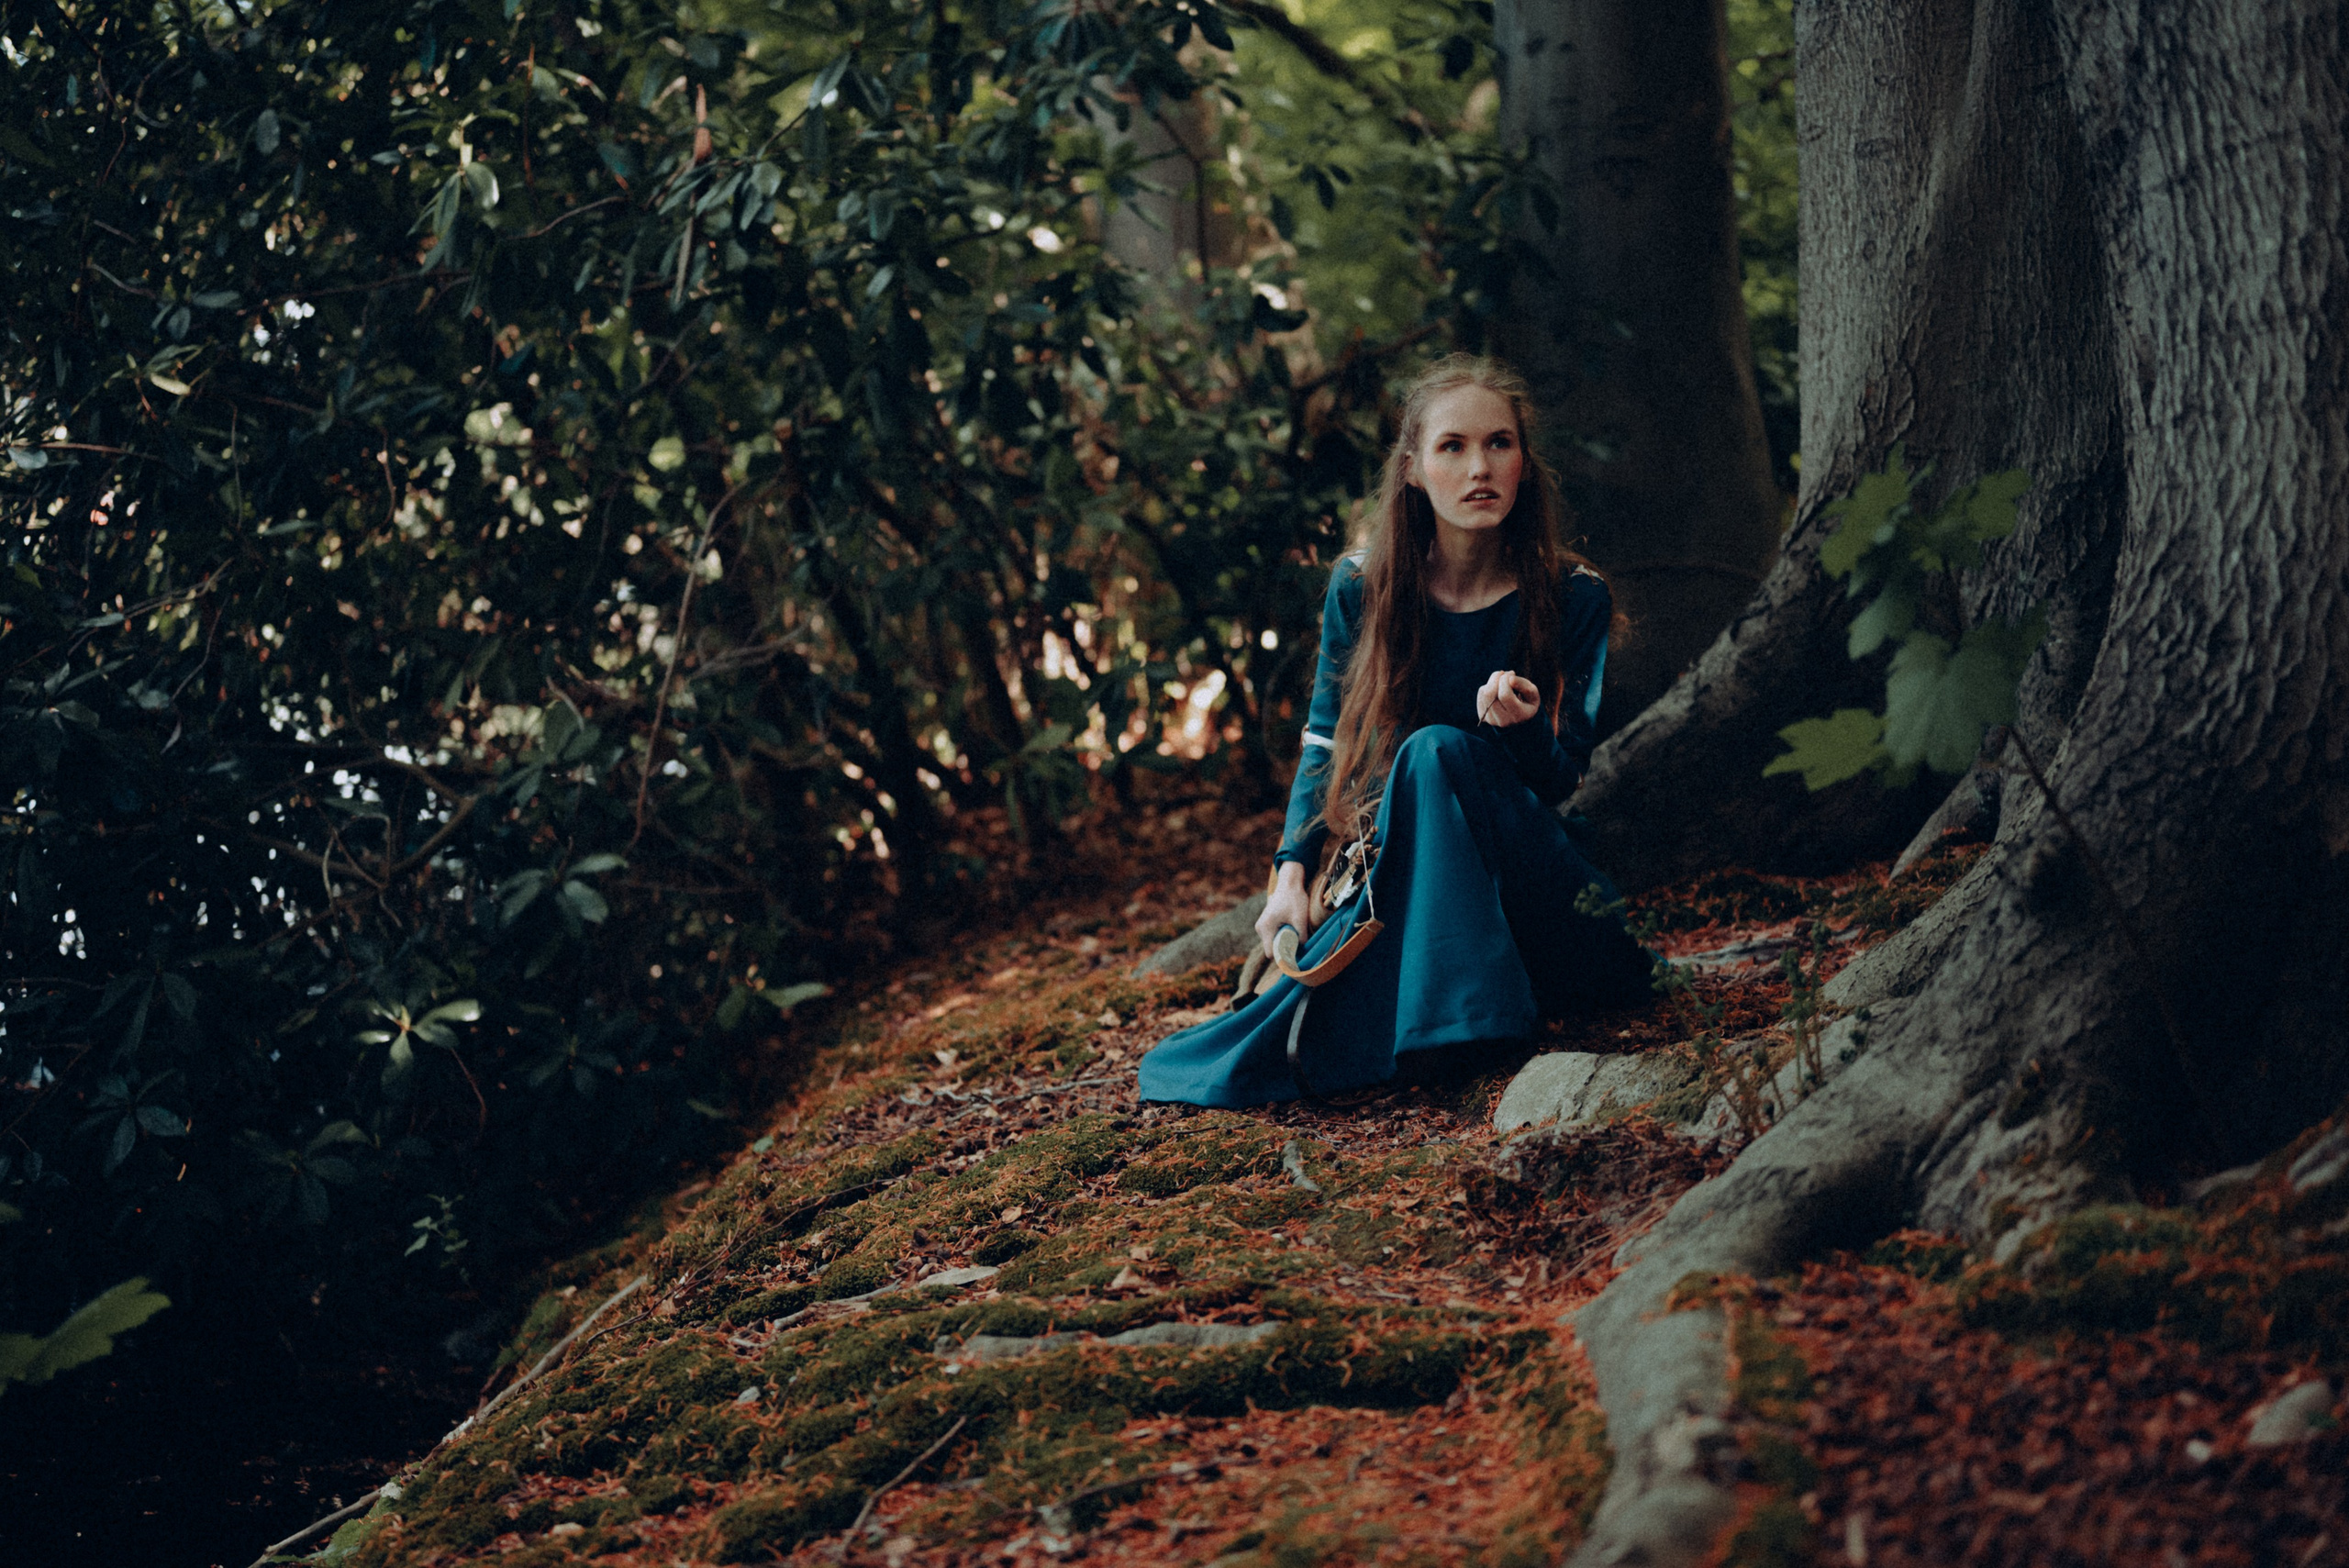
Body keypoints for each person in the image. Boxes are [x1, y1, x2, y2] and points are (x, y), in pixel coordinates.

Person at [1137, 354, 1652, 1108]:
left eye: (1500, 444)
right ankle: (1451, 1023)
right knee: (1260, 1045)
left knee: (1439, 750)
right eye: (1453, 447)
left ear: (1524, 461)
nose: (1481, 466)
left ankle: (1472, 1024)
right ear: (1413, 469)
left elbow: (1562, 778)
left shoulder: (1572, 598)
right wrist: (1290, 874)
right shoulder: (1361, 586)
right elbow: (1323, 739)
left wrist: (1515, 733)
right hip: (1402, 876)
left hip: (1542, 901)